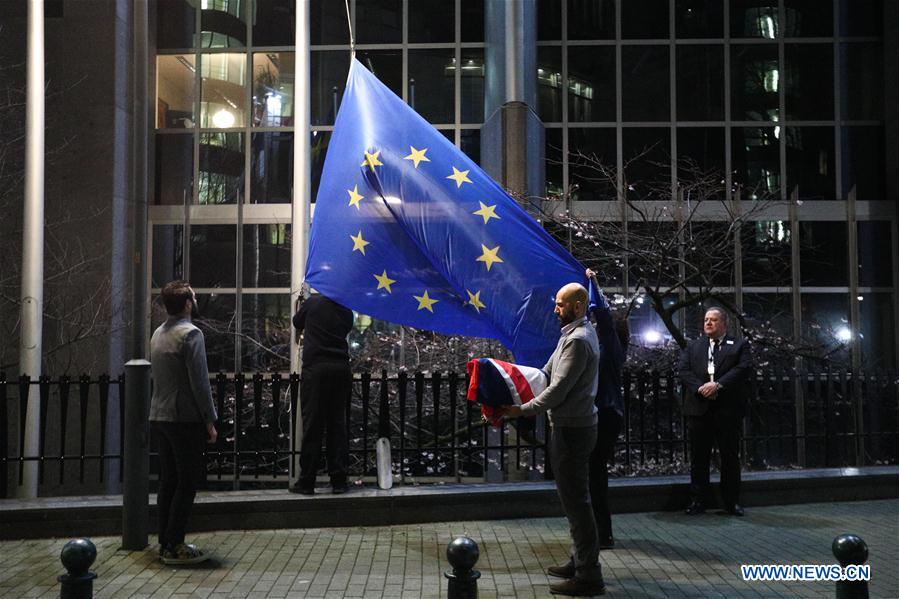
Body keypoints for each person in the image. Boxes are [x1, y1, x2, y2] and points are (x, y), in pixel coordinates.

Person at [502, 283, 605, 597]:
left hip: (573, 429)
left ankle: (589, 576)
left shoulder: (577, 341)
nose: (555, 309)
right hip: (572, 426)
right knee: (574, 500)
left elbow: (557, 389)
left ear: (577, 306)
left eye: (560, 305)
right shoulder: (571, 335)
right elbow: (545, 373)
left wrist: (520, 410)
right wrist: (510, 378)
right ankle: (579, 562)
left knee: (577, 503)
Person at [150, 281, 218, 565]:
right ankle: (175, 542)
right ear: (188, 304)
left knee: (168, 480)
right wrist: (210, 420)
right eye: (194, 295)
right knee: (187, 482)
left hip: (160, 415)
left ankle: (165, 540)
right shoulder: (191, 335)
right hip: (184, 418)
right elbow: (199, 382)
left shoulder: (158, 334)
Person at [677, 307, 753, 517]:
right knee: (699, 458)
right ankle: (698, 500)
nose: (708, 323)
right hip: (700, 410)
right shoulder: (694, 346)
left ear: (724, 324)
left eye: (713, 320)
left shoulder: (738, 345)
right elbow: (683, 370)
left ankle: (731, 502)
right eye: (706, 320)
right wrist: (700, 388)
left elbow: (744, 368)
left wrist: (718, 385)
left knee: (729, 457)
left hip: (727, 411)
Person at [290, 291, 355, 495]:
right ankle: (339, 480)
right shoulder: (346, 307)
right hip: (340, 368)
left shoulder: (313, 303)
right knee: (337, 424)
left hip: (316, 369)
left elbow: (296, 321)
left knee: (313, 425)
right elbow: (347, 327)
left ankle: (307, 480)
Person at [586, 269, 628, 550]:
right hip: (604, 414)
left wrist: (594, 283)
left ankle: (602, 534)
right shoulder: (603, 349)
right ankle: (599, 532)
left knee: (595, 475)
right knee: (593, 475)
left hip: (606, 415)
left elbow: (602, 316)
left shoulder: (611, 348)